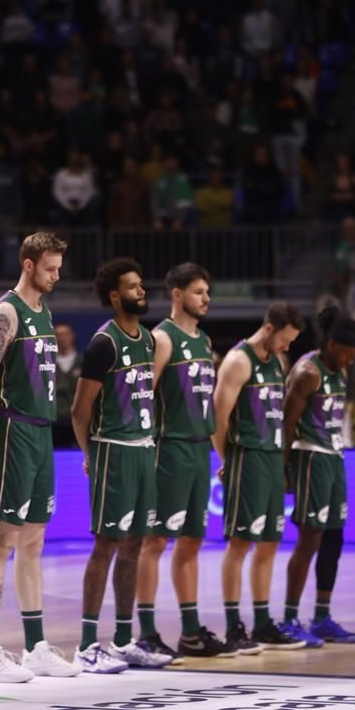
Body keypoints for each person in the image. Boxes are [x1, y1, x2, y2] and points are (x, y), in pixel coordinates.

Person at [0, 231, 76, 682]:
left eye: (59, 268)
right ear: (28, 264)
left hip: (41, 433)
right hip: (10, 432)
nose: (56, 275)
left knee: (34, 542)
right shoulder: (5, 313)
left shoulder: (43, 312)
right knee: (0, 539)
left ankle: (35, 646)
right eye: (50, 268)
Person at [71, 258, 172, 672]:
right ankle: (86, 644)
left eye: (142, 284)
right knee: (107, 544)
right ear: (115, 296)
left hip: (143, 449)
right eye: (133, 287)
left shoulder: (148, 340)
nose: (141, 291)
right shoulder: (103, 343)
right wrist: (90, 456)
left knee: (134, 545)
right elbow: (79, 410)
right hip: (112, 449)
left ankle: (125, 638)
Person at [138, 263, 230, 661]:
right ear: (177, 294)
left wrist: (221, 453)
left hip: (198, 450)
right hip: (169, 448)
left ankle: (191, 632)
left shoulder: (205, 340)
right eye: (198, 292)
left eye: (207, 292)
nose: (206, 299)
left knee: (193, 540)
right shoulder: (162, 338)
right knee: (156, 540)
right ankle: (146, 632)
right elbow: (143, 395)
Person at [213, 302, 306, 655]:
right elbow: (219, 420)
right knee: (239, 543)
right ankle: (233, 626)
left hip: (271, 458)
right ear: (270, 328)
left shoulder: (278, 362)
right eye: (285, 339)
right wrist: (228, 460)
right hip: (247, 457)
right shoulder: (238, 361)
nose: (287, 347)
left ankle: (263, 622)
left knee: (269, 543)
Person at [280, 307, 355, 647]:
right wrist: (283, 469)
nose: (349, 362)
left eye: (354, 357)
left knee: (334, 537)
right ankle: (288, 618)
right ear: (331, 344)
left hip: (334, 456)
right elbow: (286, 423)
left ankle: (322, 617)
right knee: (309, 537)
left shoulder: (339, 373)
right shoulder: (306, 372)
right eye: (346, 354)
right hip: (309, 456)